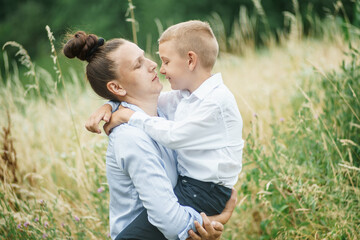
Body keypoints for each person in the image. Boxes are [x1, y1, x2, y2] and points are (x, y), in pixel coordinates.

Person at [64, 31, 236, 240]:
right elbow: (171, 223)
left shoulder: (164, 112)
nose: (153, 64)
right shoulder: (130, 137)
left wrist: (111, 104)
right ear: (117, 87)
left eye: (145, 56)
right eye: (138, 64)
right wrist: (222, 217)